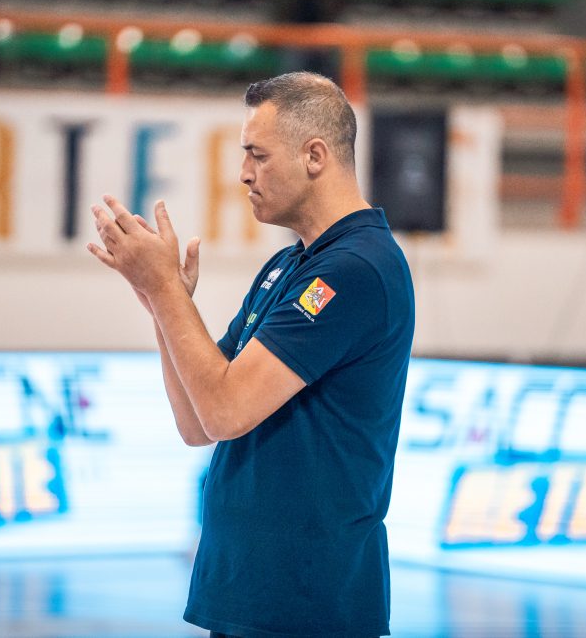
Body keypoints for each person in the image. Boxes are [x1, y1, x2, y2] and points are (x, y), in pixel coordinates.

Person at [87, 72, 415, 637]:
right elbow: (197, 423)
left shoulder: (353, 270)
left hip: (308, 603)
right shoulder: (289, 267)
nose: (244, 173)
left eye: (256, 155)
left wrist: (167, 291)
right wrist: (161, 302)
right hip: (252, 596)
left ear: (315, 156)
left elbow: (223, 409)